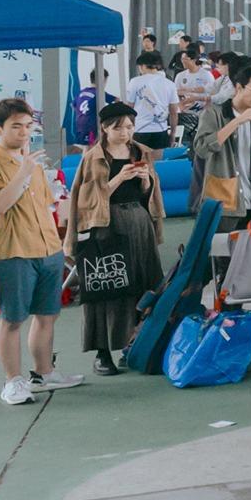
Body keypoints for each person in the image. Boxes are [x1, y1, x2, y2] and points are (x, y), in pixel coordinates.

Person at [0, 97, 78, 405]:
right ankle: (13, 382)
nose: (24, 133)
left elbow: (49, 205)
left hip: (47, 247)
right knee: (13, 319)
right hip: (11, 251)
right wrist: (25, 171)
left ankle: (44, 372)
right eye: (16, 126)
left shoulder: (33, 162)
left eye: (28, 126)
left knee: (47, 315)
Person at [66, 101, 164, 375]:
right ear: (105, 128)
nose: (125, 133)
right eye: (119, 127)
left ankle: (136, 345)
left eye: (130, 127)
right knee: (107, 287)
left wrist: (145, 179)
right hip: (106, 226)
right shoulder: (93, 157)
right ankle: (102, 352)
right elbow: (87, 199)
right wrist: (119, 178)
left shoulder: (140, 151)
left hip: (138, 223)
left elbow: (149, 196)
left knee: (143, 285)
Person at [191, 60, 251, 217]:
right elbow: (202, 149)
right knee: (222, 241)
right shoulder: (214, 114)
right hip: (223, 201)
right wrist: (237, 121)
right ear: (238, 87)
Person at [123, 50, 178, 151]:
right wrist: (173, 133)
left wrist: (127, 130)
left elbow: (128, 108)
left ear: (142, 66)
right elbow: (174, 112)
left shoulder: (135, 82)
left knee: (139, 163)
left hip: (139, 130)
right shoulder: (169, 84)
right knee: (158, 164)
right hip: (161, 131)